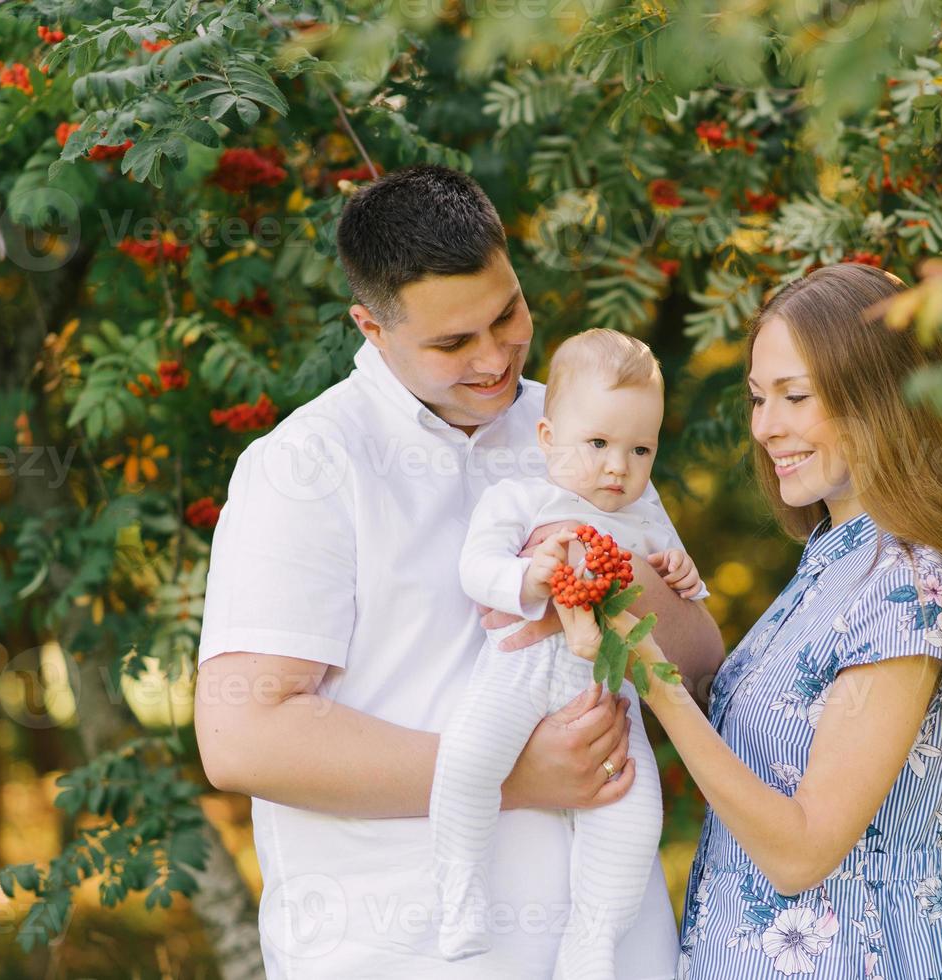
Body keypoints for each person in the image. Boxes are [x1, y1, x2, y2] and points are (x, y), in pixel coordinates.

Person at [193, 165, 725, 978]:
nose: (492, 359)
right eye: (451, 343)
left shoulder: (581, 428)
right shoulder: (306, 466)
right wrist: (516, 774)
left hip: (614, 948)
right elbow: (243, 738)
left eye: (507, 314)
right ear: (371, 328)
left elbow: (695, 661)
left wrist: (594, 555)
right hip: (403, 950)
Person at [553, 263, 942, 979]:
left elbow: (801, 851)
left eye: (793, 396)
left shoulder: (908, 584)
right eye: (758, 398)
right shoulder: (830, 564)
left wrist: (652, 677)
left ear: (877, 398)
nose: (764, 427)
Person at [433, 329, 708, 975]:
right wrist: (527, 579)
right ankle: (460, 892)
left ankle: (592, 941)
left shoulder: (643, 514)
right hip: (517, 671)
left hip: (608, 687)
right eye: (599, 444)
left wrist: (681, 571)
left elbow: (682, 595)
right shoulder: (520, 500)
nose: (619, 467)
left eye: (641, 449)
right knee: (468, 760)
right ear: (549, 439)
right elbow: (475, 567)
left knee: (634, 815)